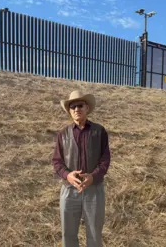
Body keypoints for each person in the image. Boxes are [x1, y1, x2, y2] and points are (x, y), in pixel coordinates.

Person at [52, 90, 111, 247]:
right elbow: (57, 161)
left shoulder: (99, 131)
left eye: (80, 105)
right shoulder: (63, 134)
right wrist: (67, 175)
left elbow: (105, 160)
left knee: (94, 234)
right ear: (69, 111)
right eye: (72, 106)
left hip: (94, 190)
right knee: (68, 235)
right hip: (69, 190)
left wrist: (93, 177)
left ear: (87, 108)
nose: (76, 109)